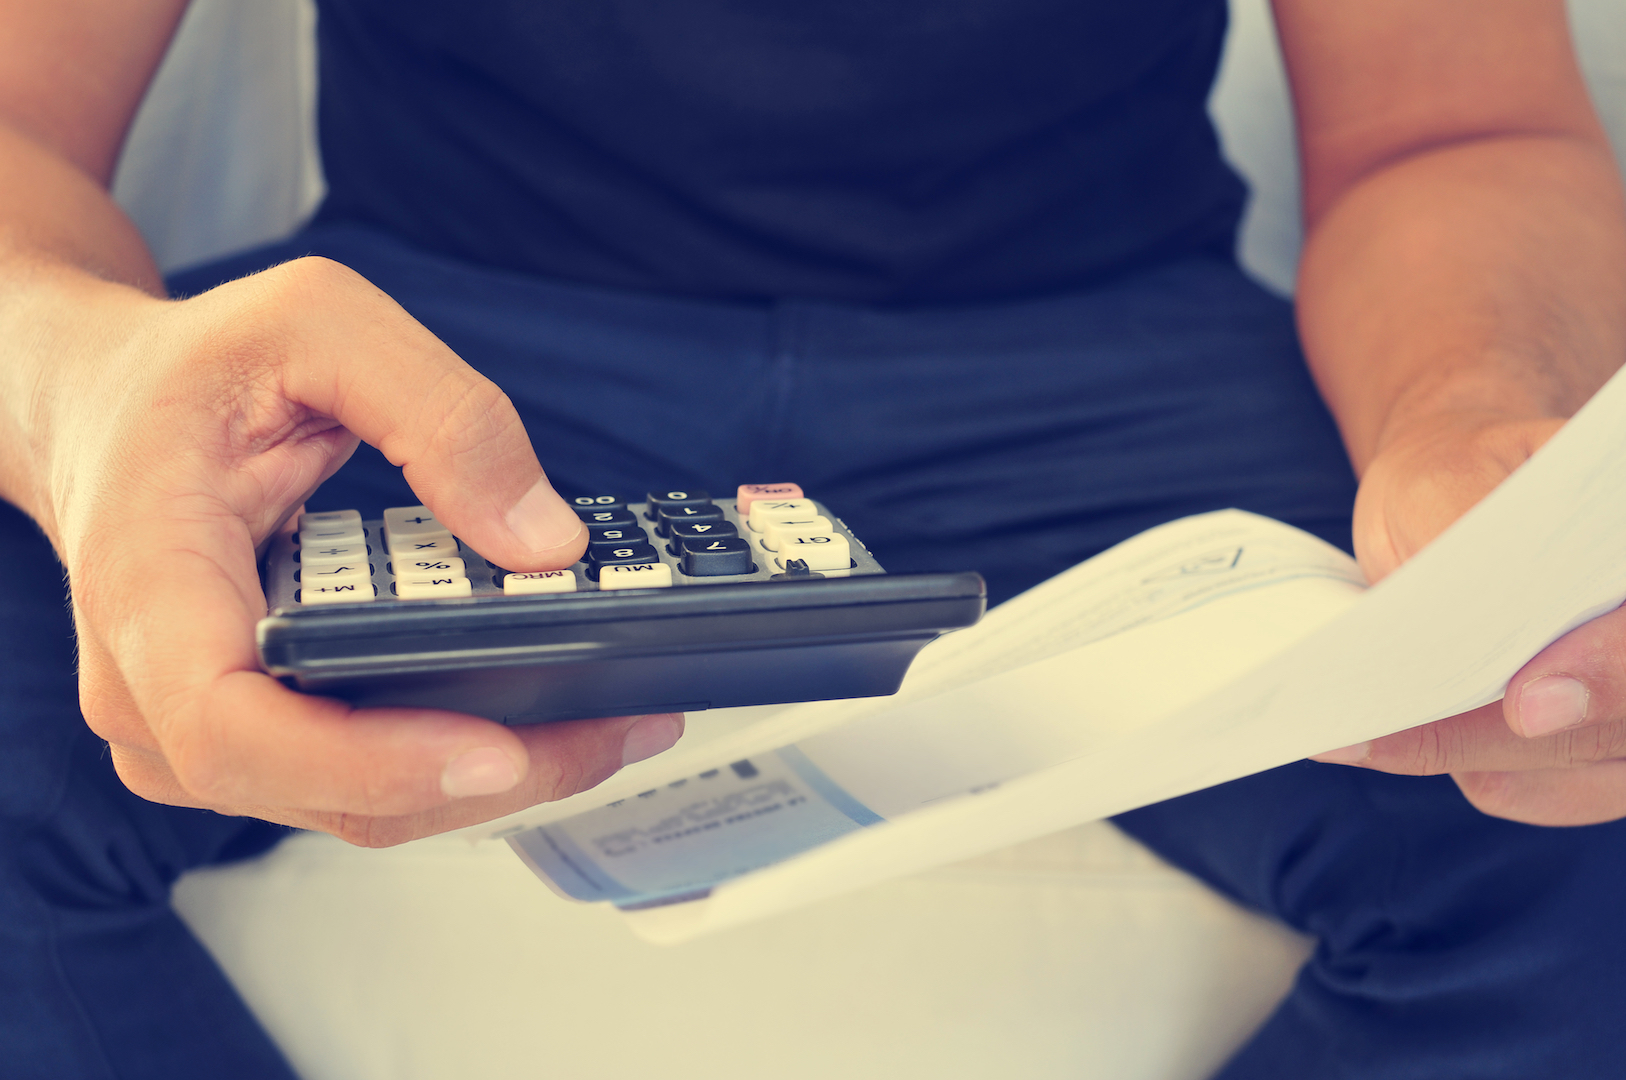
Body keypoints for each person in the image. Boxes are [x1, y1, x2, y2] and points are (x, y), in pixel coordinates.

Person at [2, 0, 1624, 1076]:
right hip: (426, 358)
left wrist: (1473, 415)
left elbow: (1449, 125)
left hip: (1109, 361)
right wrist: (87, 392)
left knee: (1577, 777)